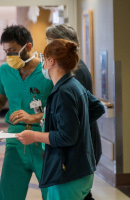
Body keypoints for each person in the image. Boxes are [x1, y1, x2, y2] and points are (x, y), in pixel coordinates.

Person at [0, 25, 53, 200]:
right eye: (6, 51)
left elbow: (60, 110)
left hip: (44, 140)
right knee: (9, 194)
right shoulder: (5, 71)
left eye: (13, 51)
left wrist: (34, 117)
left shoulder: (47, 72)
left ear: (28, 47)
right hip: (15, 140)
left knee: (52, 194)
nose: (9, 56)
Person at [16, 39, 105, 200]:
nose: (42, 64)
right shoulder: (74, 84)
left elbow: (66, 136)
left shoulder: (62, 92)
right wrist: (76, 125)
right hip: (83, 171)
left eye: (44, 59)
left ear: (51, 61)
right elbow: (98, 107)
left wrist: (34, 136)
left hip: (68, 173)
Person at [45, 24, 102, 200]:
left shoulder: (70, 79)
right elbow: (95, 107)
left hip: (74, 158)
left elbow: (68, 132)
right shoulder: (73, 75)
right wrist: (78, 123)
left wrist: (73, 126)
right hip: (81, 155)